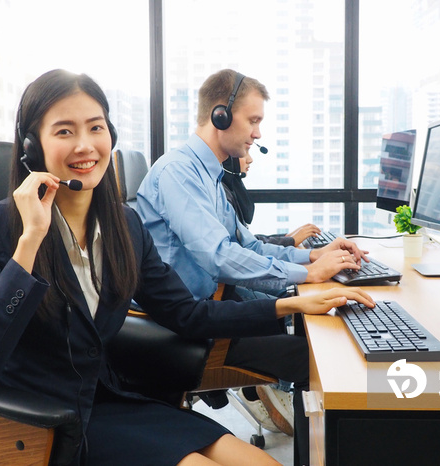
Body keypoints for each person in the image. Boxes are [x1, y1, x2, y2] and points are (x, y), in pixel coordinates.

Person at [0, 69, 374, 466]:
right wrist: (30, 243)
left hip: (113, 400)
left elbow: (187, 313)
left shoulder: (123, 226)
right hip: (43, 419)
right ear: (31, 146)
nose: (84, 145)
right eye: (64, 131)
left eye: (95, 127)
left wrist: (294, 304)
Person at [136, 69, 370, 465]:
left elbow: (247, 244)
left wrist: (312, 257)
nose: (258, 134)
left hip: (217, 309)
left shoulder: (209, 177)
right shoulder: (179, 173)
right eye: (254, 120)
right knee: (322, 357)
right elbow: (219, 257)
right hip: (191, 327)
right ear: (220, 116)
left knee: (326, 334)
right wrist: (306, 276)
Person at [221, 155, 321, 247]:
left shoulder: (230, 188)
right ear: (228, 160)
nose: (250, 159)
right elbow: (244, 246)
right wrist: (291, 240)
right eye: (244, 152)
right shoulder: (223, 194)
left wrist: (287, 237)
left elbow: (248, 240)